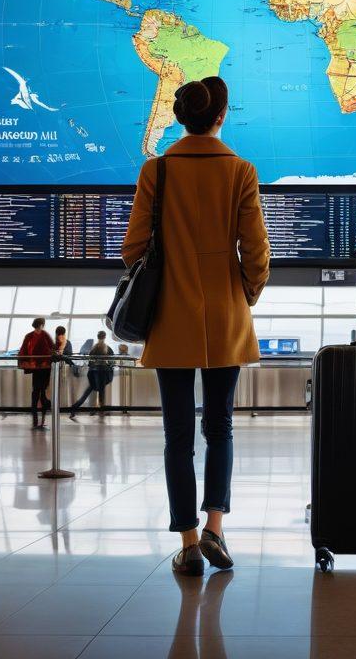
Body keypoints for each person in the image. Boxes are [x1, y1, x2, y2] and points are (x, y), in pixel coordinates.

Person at [122, 75, 270, 577]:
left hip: (170, 318)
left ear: (181, 117)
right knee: (220, 427)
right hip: (226, 316)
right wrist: (244, 294)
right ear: (220, 117)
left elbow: (133, 247)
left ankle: (187, 544)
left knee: (178, 435)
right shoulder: (241, 171)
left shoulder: (156, 170)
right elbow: (256, 250)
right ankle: (215, 529)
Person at [18, 317, 55, 429]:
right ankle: (42, 420)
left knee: (35, 392)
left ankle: (35, 421)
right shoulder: (45, 335)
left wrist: (26, 363)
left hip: (35, 368)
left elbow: (23, 350)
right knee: (43, 392)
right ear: (42, 325)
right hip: (45, 368)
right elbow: (53, 348)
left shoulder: (29, 336)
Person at [70, 330, 115, 420]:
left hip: (93, 373)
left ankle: (74, 407)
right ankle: (101, 411)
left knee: (88, 392)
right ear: (105, 337)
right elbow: (112, 361)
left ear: (98, 337)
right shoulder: (107, 348)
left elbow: (90, 362)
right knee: (101, 392)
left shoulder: (94, 347)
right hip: (103, 372)